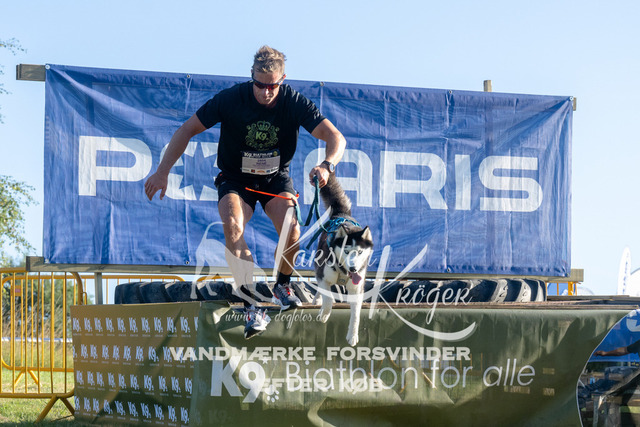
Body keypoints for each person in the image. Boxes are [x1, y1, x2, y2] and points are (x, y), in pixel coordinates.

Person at [144, 45, 346, 339]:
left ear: (283, 79)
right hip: (236, 180)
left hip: (275, 179)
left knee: (292, 230)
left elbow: (335, 137)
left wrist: (327, 165)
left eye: (272, 86)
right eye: (259, 85)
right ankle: (251, 303)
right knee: (233, 226)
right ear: (252, 76)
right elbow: (186, 129)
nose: (265, 92)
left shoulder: (294, 101)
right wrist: (162, 172)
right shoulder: (231, 98)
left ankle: (282, 285)